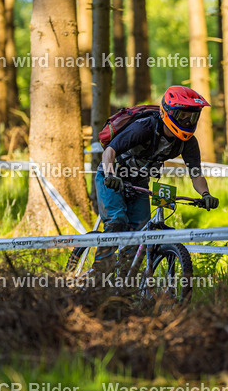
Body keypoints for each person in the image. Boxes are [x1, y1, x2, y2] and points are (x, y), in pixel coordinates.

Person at [94, 86, 219, 270]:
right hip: (112, 177)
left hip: (139, 183)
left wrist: (206, 194)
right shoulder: (144, 127)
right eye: (182, 116)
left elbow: (196, 174)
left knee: (141, 231)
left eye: (192, 117)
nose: (187, 121)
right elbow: (110, 151)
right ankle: (98, 274)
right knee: (117, 221)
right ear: (169, 112)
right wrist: (110, 174)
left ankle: (125, 278)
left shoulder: (188, 142)